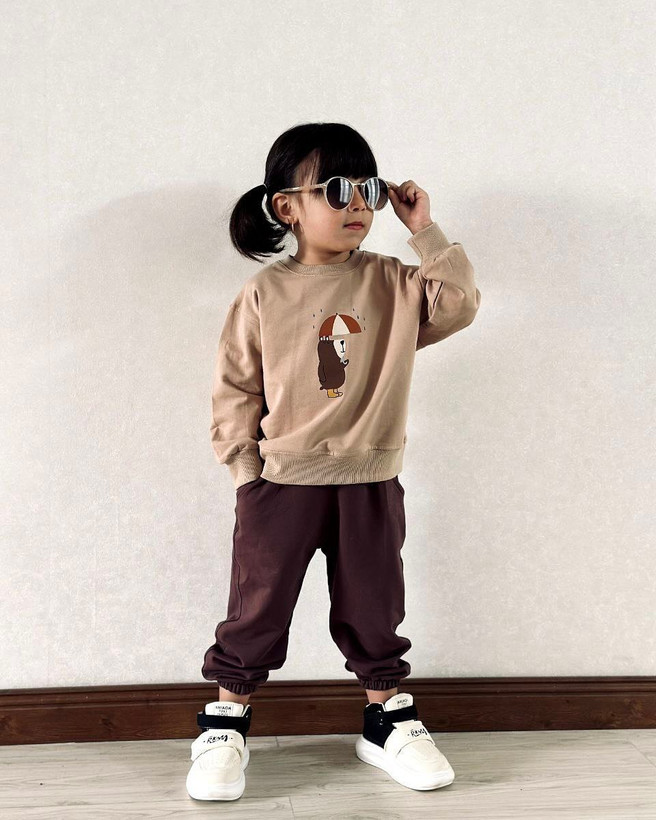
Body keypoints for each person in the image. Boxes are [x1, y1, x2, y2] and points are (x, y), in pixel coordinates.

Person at [186, 122, 481, 801]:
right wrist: (245, 471)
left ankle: (386, 721)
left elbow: (460, 306)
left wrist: (423, 230)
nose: (358, 205)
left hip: (370, 479)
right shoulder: (264, 293)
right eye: (338, 189)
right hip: (280, 483)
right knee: (257, 608)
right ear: (287, 206)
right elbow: (235, 386)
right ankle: (225, 724)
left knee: (374, 607)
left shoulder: (394, 284)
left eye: (369, 190)